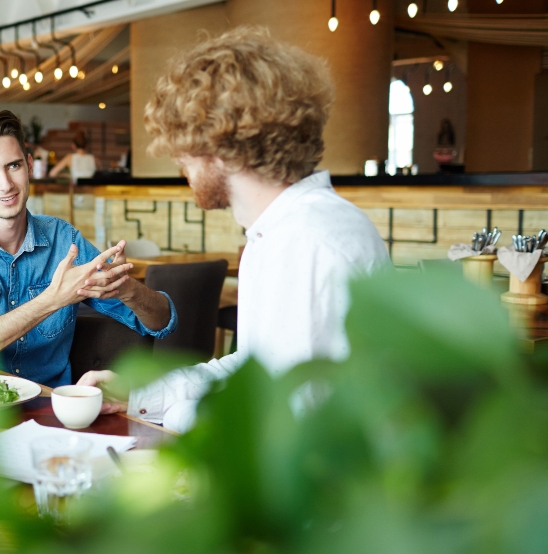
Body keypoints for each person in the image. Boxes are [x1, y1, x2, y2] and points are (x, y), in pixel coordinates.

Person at [76, 27, 391, 433]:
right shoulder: (277, 232)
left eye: (184, 149)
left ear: (222, 147)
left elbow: (297, 420)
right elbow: (252, 369)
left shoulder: (309, 241)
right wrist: (137, 394)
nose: (180, 165)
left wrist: (178, 417)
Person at [0, 111, 177, 388]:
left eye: (14, 166)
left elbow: (160, 323)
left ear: (30, 166)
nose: (5, 184)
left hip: (49, 412)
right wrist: (53, 299)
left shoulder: (64, 240)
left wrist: (128, 290)